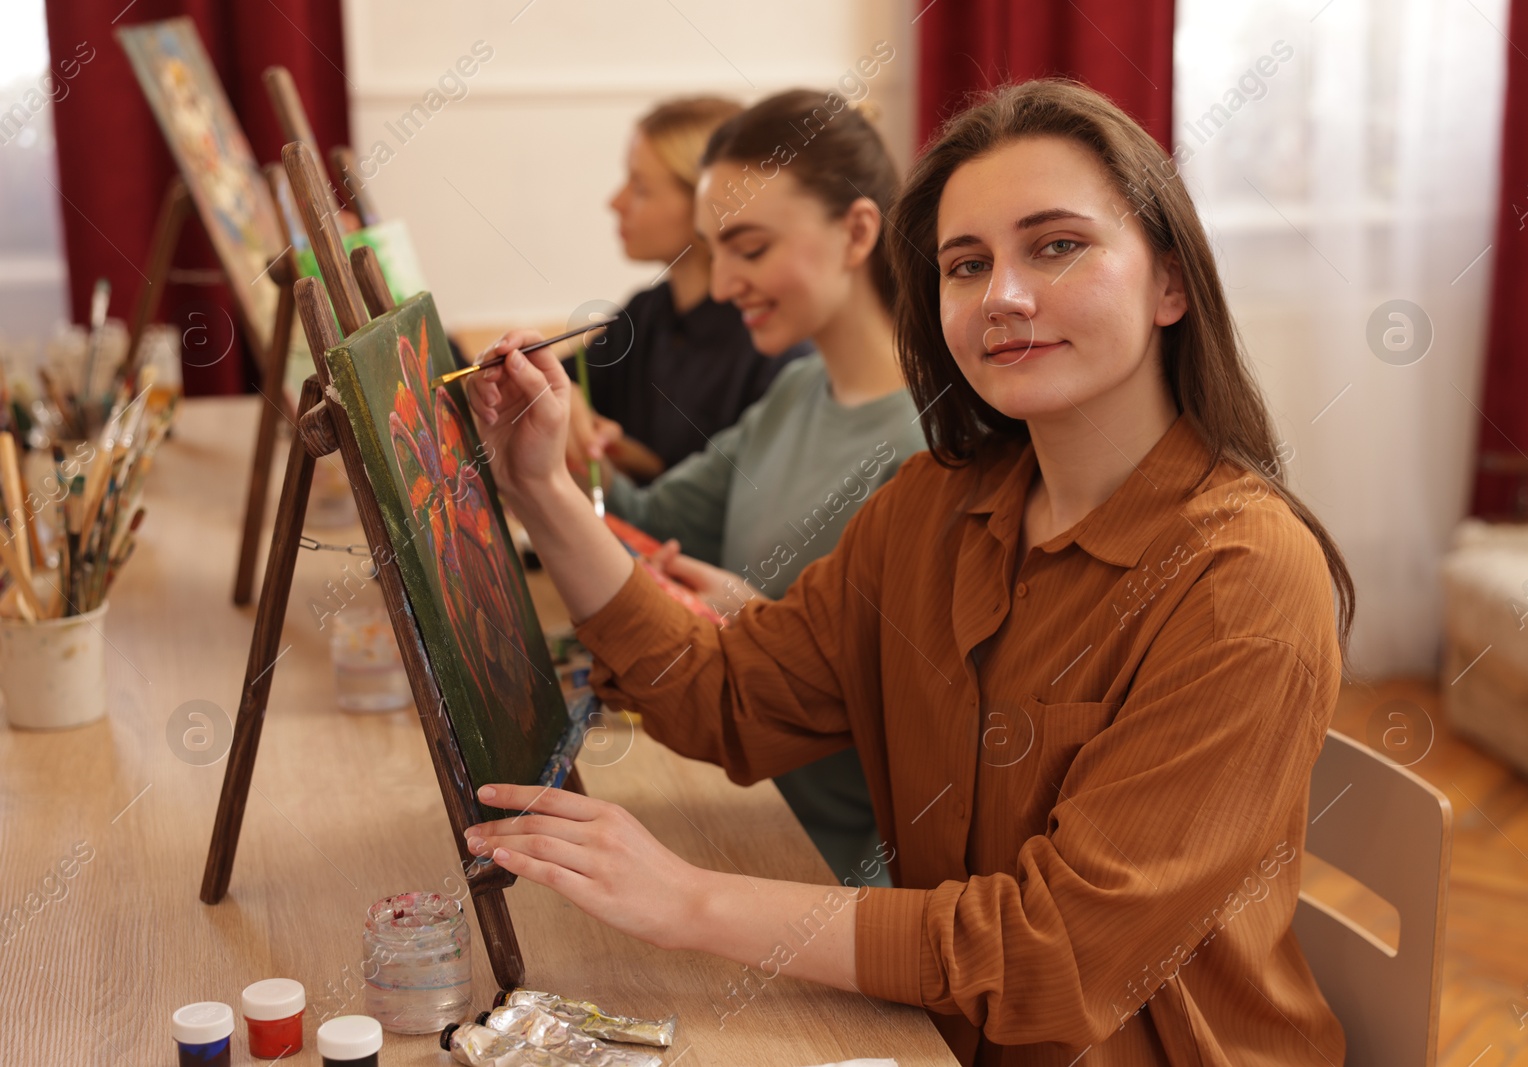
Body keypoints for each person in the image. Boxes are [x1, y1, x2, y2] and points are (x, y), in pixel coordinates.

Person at [464, 79, 1353, 1065]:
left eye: (1056, 245)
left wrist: (689, 900)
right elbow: (730, 692)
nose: (1003, 296)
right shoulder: (933, 502)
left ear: (1170, 282)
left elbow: (1049, 955)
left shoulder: (1242, 572)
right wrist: (540, 487)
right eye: (965, 264)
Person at [490, 90, 924, 886]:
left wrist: (758, 621)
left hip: (844, 878)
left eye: (750, 249)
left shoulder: (925, 454)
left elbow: (912, 711)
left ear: (858, 231)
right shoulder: (800, 395)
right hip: (764, 815)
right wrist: (545, 456)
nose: (722, 286)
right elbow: (649, 520)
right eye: (714, 250)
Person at [569, 96, 809, 478]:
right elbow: (568, 383)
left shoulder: (770, 342)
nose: (615, 202)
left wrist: (637, 465)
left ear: (706, 201)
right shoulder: (648, 311)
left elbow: (734, 504)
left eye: (641, 187)